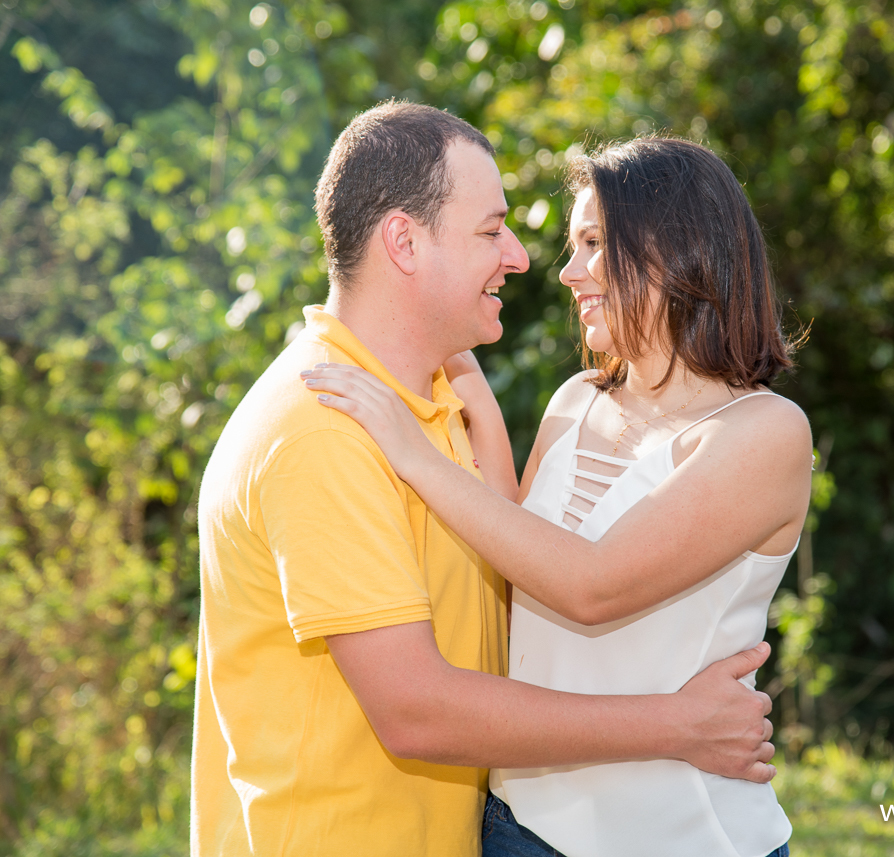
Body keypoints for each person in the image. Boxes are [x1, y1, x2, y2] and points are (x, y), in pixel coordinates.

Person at [190, 103, 777, 857]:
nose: (524, 258)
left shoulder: (426, 403)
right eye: (490, 229)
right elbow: (417, 711)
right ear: (404, 241)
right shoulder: (325, 428)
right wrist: (676, 723)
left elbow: (514, 585)